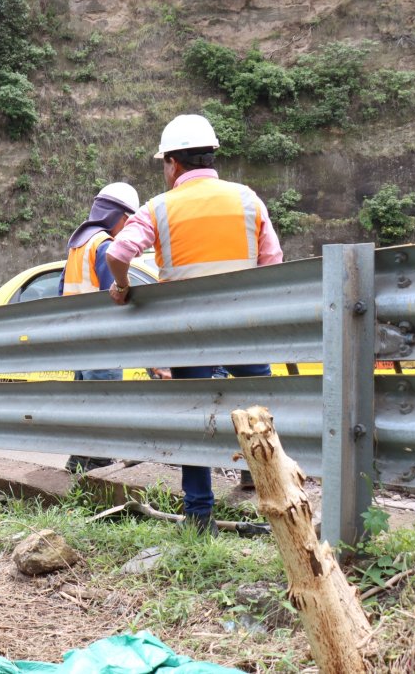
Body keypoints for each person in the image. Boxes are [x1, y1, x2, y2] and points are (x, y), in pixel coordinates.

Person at [104, 113, 284, 534]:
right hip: (244, 326)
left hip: (190, 334)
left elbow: (118, 253)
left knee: (195, 415)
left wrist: (122, 286)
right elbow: (273, 262)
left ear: (172, 163)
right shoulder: (247, 199)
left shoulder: (159, 207)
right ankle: (275, 497)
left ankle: (199, 515)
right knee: (258, 409)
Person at [60, 182, 140, 474]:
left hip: (78, 338)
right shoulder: (104, 245)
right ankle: (99, 466)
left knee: (86, 402)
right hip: (102, 340)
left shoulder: (78, 244)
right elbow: (117, 293)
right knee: (104, 401)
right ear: (119, 217)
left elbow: (62, 291)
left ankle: (79, 460)